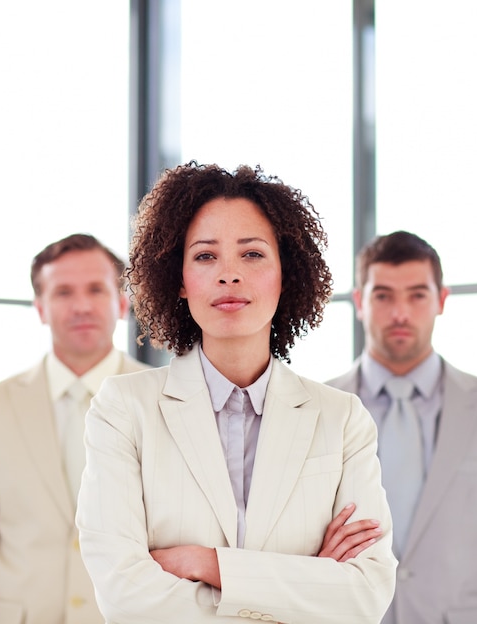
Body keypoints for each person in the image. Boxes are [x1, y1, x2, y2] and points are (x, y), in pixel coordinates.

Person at [75, 162, 397, 624]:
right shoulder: (124, 410)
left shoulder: (341, 418)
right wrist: (307, 582)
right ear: (180, 280)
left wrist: (209, 565)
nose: (229, 274)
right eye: (205, 256)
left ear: (285, 275)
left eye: (252, 254)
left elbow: (365, 595)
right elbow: (126, 597)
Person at [326, 230, 477, 624]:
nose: (400, 313)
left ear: (441, 300)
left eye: (417, 295)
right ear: (360, 303)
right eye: (383, 295)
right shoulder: (317, 409)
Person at [0, 233, 148, 624]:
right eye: (63, 292)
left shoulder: (165, 401)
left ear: (122, 303)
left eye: (96, 290)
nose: (81, 305)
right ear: (40, 308)